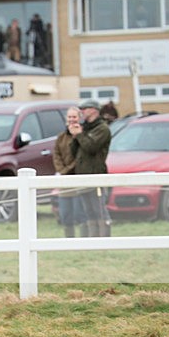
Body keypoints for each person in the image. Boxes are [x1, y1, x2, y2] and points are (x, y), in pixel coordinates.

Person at [70, 99, 112, 237]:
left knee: (99, 209)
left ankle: (103, 238)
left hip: (96, 174)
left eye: (85, 108)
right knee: (88, 210)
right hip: (83, 175)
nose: (82, 111)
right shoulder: (86, 128)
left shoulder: (102, 129)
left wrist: (80, 134)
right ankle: (91, 238)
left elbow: (91, 147)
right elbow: (74, 152)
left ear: (94, 110)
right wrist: (75, 136)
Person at [53, 107, 87, 238]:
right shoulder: (61, 137)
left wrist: (67, 170)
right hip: (64, 182)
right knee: (66, 215)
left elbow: (81, 155)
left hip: (78, 179)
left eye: (74, 117)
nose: (72, 120)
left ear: (80, 118)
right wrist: (61, 170)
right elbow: (56, 155)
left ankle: (84, 240)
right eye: (69, 117)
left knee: (81, 213)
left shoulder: (83, 136)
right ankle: (69, 240)